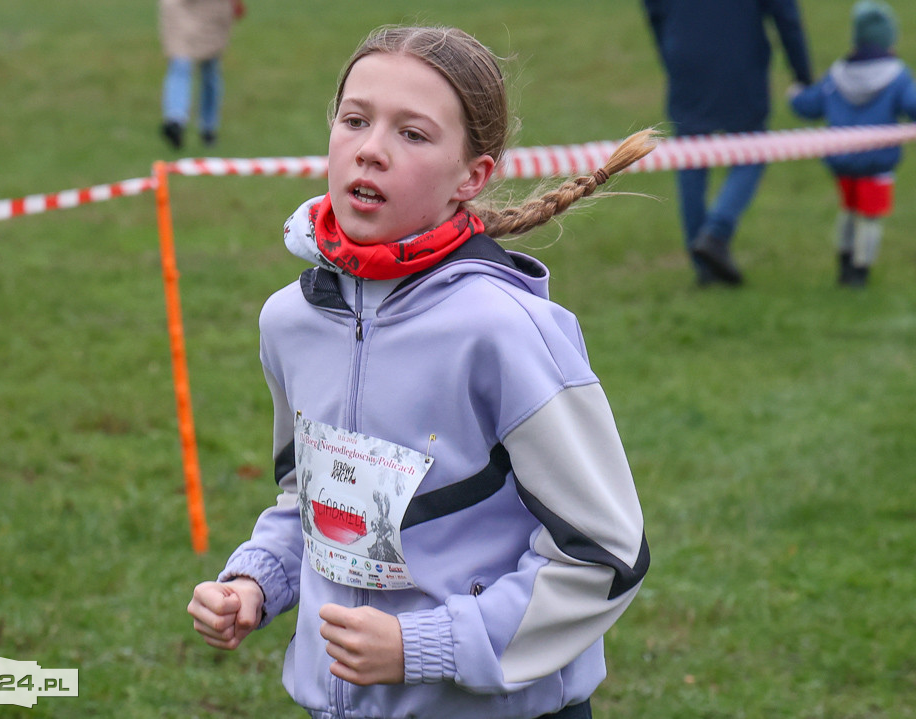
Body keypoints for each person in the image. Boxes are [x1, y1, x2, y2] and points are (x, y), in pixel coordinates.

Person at [188, 25, 653, 719]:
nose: (370, 148)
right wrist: (258, 577)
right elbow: (310, 501)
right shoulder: (290, 320)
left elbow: (605, 552)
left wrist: (426, 646)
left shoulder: (505, 330)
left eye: (412, 134)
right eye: (354, 120)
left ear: (473, 175)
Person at [643, 0, 812, 286]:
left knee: (691, 157)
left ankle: (704, 265)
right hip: (741, 62)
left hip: (686, 58)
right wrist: (803, 74)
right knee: (753, 150)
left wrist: (671, 54)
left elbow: (654, 12)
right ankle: (715, 235)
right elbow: (786, 16)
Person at [789, 0, 916, 287]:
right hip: (877, 163)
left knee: (848, 209)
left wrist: (795, 94)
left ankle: (844, 262)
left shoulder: (837, 73)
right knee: (870, 217)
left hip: (842, 160)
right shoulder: (897, 76)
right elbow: (912, 104)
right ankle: (861, 271)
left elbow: (809, 105)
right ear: (888, 39)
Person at [158, 0, 245, 150]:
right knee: (180, 62)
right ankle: (176, 120)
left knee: (210, 68)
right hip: (181, 6)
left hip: (212, 8)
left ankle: (208, 127)